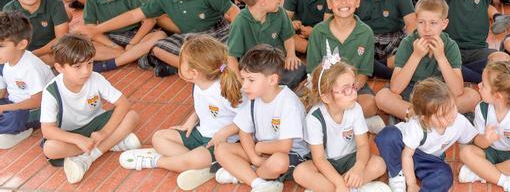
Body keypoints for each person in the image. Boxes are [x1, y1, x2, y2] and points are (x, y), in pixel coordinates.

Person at [118, 36, 243, 191]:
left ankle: (156, 161)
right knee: (159, 137)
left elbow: (247, 118)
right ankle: (199, 164)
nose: (178, 64)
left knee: (195, 157)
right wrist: (191, 120)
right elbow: (204, 107)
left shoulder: (225, 90)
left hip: (222, 143)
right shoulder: (199, 84)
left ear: (193, 72)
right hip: (201, 133)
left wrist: (224, 132)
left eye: (181, 61)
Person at [91, 0, 239, 77]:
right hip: (190, 36)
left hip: (216, 32)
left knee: (230, 51)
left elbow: (234, 11)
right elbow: (134, 15)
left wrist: (236, 37)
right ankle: (202, 71)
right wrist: (97, 29)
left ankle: (207, 68)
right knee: (158, 49)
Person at [40, 34, 141, 184]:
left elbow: (123, 103)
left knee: (132, 115)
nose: (86, 71)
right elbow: (47, 130)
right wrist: (77, 139)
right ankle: (114, 143)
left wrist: (104, 132)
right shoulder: (51, 91)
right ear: (60, 68)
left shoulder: (96, 78)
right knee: (50, 148)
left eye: (90, 63)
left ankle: (89, 157)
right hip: (71, 133)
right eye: (77, 67)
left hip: (97, 124)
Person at [212, 45, 308, 192]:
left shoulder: (288, 103)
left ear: (272, 80)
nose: (244, 86)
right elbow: (244, 131)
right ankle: (258, 183)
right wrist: (254, 157)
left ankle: (243, 174)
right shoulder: (254, 98)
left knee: (278, 162)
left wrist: (258, 147)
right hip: (260, 153)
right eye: (243, 79)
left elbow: (284, 146)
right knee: (221, 149)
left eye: (251, 80)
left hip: (289, 154)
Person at [375, 0, 480, 119]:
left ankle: (419, 117)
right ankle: (433, 117)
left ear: (444, 24)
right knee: (382, 97)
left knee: (472, 96)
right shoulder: (407, 43)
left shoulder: (450, 46)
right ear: (416, 21)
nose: (427, 29)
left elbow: (457, 90)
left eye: (433, 23)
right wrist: (416, 56)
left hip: (440, 93)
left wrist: (441, 57)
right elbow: (396, 88)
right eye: (421, 22)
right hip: (411, 91)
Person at [296, 61, 388, 192]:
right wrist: (339, 182)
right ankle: (351, 187)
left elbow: (362, 146)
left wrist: (359, 168)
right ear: (326, 97)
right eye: (345, 89)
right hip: (326, 163)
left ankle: (333, 188)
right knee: (300, 172)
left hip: (350, 159)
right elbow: (319, 159)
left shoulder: (355, 108)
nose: (353, 93)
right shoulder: (314, 118)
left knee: (379, 164)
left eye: (353, 86)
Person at [305, 0, 384, 128]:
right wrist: (332, 93)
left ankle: (335, 121)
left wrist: (347, 91)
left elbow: (364, 73)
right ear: (329, 3)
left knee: (370, 105)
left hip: (353, 87)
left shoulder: (365, 32)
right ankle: (358, 123)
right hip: (325, 87)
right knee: (305, 106)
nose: (343, 2)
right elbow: (313, 72)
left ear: (358, 2)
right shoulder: (318, 31)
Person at [376, 78, 478, 192]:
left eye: (453, 107)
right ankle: (396, 175)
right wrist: (412, 184)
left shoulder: (460, 122)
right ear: (425, 119)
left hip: (428, 160)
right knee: (387, 136)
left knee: (444, 175)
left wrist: (464, 162)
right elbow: (407, 155)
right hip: (403, 150)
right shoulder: (417, 125)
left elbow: (464, 142)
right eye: (443, 114)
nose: (451, 115)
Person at [458, 61, 510, 192]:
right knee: (465, 152)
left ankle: (482, 172)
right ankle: (508, 182)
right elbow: (478, 141)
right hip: (490, 151)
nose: (478, 85)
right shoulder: (482, 108)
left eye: (483, 85)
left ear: (497, 96)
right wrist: (486, 139)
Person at [79, 0, 166, 72]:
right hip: (109, 39)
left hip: (136, 36)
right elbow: (91, 31)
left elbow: (150, 21)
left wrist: (133, 43)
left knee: (160, 35)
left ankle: (114, 62)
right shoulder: (91, 0)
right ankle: (136, 56)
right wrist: (113, 46)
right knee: (81, 47)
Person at [227, 0, 305, 89]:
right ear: (263, 1)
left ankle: (274, 90)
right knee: (255, 85)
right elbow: (231, 57)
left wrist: (291, 55)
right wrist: (240, 81)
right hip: (255, 70)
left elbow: (288, 38)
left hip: (277, 65)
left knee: (300, 69)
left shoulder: (279, 12)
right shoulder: (240, 22)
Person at [0, 11, 53, 149]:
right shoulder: (7, 60)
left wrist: (4, 108)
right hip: (15, 102)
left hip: (37, 108)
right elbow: (3, 88)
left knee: (15, 117)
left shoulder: (30, 67)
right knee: (10, 114)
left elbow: (37, 101)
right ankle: (8, 129)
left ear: (21, 44)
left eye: (1, 46)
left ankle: (20, 131)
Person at [3, 0, 69, 64]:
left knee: (67, 55)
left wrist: (34, 55)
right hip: (22, 52)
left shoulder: (56, 4)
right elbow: (8, 41)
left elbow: (61, 38)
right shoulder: (8, 10)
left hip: (51, 49)